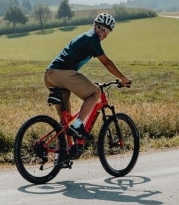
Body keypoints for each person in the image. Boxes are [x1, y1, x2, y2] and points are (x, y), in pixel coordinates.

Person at [44, 12, 131, 140]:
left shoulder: (86, 37)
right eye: (101, 27)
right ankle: (78, 125)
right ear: (95, 26)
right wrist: (123, 78)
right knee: (95, 93)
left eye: (107, 30)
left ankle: (61, 155)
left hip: (50, 75)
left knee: (64, 122)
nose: (103, 32)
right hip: (62, 73)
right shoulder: (92, 38)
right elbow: (106, 62)